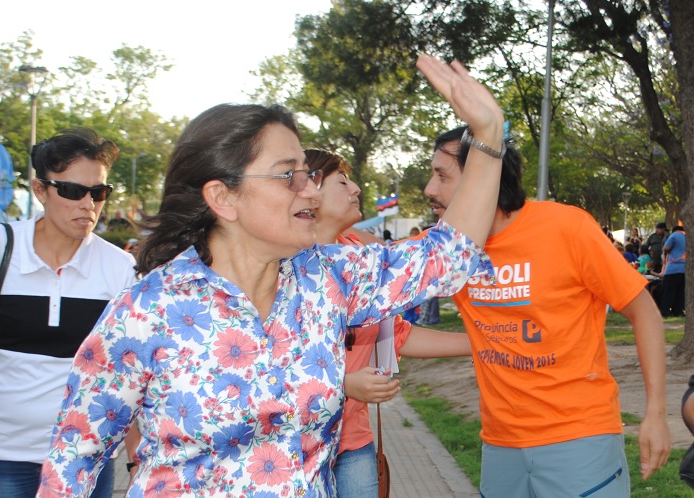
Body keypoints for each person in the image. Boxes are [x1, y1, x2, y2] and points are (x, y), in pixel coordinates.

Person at [36, 55, 506, 497]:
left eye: (309, 175)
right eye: (289, 176)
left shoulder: (329, 280)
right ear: (224, 198)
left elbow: (448, 256)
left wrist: (487, 135)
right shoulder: (147, 309)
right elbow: (72, 459)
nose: (311, 192)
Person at [419, 124, 671, 497]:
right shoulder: (448, 248)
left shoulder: (567, 227)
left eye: (442, 176)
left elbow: (644, 312)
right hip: (500, 445)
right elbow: (369, 265)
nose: (429, 189)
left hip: (579, 438)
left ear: (482, 178)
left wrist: (655, 412)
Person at [0, 128, 138, 498]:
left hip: (85, 457)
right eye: (72, 190)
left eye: (99, 192)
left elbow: (127, 370)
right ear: (40, 190)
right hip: (0, 455)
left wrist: (136, 456)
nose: (88, 204)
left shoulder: (119, 267)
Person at [305, 148, 471, 497]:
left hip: (352, 442)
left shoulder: (358, 255)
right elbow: (264, 369)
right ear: (309, 191)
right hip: (297, 446)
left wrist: (485, 342)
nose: (356, 189)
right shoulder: (280, 264)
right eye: (342, 182)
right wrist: (343, 385)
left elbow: (395, 335)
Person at [660, 225, 685, 317]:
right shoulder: (687, 237)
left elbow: (666, 247)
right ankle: (678, 312)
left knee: (668, 292)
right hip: (684, 268)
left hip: (673, 268)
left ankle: (665, 312)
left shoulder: (674, 235)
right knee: (680, 292)